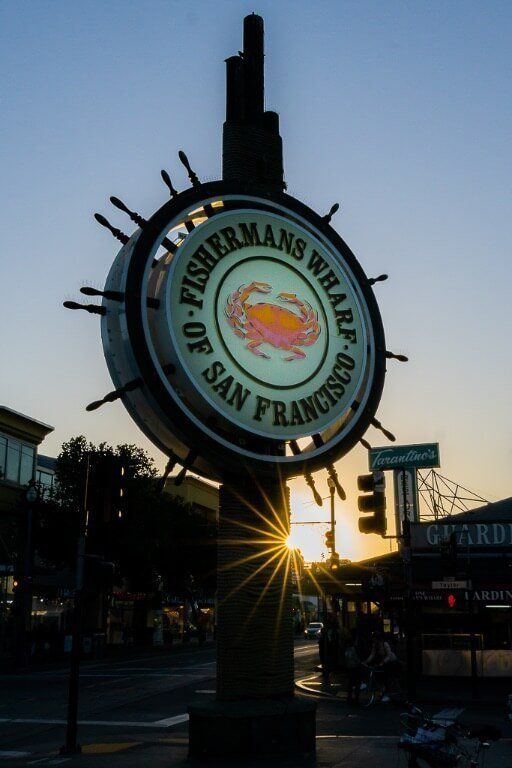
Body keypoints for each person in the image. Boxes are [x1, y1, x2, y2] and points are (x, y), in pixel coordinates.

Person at [366, 631, 400, 702]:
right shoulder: (375, 645)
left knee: (386, 676)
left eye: (374, 639)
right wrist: (366, 661)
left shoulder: (385, 644)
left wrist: (383, 662)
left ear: (377, 639)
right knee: (378, 675)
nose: (373, 640)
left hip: (391, 661)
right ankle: (382, 690)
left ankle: (387, 693)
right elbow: (372, 655)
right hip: (383, 661)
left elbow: (389, 655)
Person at [344, 629, 363, 704]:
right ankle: (356, 698)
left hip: (350, 667)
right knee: (356, 682)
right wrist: (360, 663)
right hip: (355, 667)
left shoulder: (348, 647)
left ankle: (350, 697)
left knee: (351, 683)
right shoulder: (354, 647)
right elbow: (356, 658)